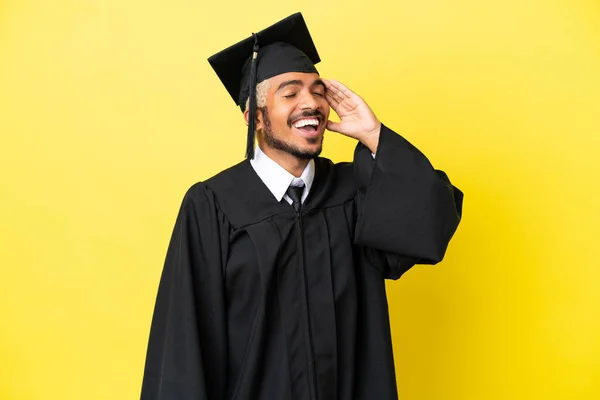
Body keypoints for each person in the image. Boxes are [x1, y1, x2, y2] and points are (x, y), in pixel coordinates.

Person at [141, 12, 463, 400]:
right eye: (290, 93)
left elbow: (432, 220)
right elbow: (183, 343)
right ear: (254, 117)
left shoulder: (351, 193)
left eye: (318, 91)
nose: (310, 103)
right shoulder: (213, 205)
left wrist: (374, 135)